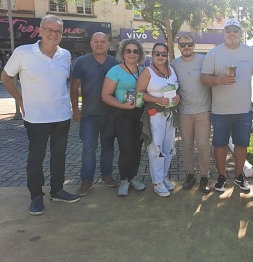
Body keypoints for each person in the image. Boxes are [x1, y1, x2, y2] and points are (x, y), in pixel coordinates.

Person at [1, 14, 80, 215]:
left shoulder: (65, 55)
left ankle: (57, 190)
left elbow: (65, 82)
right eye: (49, 30)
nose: (53, 34)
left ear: (62, 33)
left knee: (59, 156)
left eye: (58, 31)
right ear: (40, 30)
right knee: (36, 158)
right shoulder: (23, 52)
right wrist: (20, 100)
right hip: (36, 118)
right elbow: (6, 77)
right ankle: (36, 196)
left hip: (61, 116)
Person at [201, 18, 253, 192]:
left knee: (241, 144)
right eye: (228, 30)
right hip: (220, 110)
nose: (232, 33)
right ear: (223, 33)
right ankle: (221, 177)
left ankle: (240, 177)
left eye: (235, 30)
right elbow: (204, 78)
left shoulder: (251, 52)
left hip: (244, 110)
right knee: (220, 145)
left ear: (241, 33)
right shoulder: (214, 53)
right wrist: (219, 80)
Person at [70, 32, 118, 196]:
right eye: (96, 41)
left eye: (103, 42)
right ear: (91, 44)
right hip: (89, 115)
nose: (99, 44)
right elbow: (74, 87)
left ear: (108, 44)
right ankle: (86, 180)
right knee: (89, 148)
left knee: (108, 147)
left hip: (110, 115)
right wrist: (75, 109)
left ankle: (106, 175)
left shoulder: (115, 63)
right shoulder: (81, 62)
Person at [102, 39, 146, 197]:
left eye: (135, 51)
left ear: (140, 54)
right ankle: (124, 179)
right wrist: (122, 106)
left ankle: (133, 177)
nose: (132, 54)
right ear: (123, 53)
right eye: (128, 51)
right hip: (122, 114)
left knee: (137, 148)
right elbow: (105, 95)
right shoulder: (116, 71)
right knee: (126, 148)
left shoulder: (143, 71)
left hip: (139, 114)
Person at [137, 43, 180, 197]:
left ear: (167, 55)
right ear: (152, 54)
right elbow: (139, 93)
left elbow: (175, 88)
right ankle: (157, 182)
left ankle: (164, 177)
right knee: (156, 147)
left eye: (163, 54)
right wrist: (157, 100)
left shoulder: (171, 70)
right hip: (155, 114)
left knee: (169, 147)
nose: (160, 56)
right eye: (157, 53)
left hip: (170, 113)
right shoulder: (147, 72)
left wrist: (177, 96)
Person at [171, 34, 212, 193]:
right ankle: (190, 175)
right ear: (178, 46)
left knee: (203, 145)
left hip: (203, 111)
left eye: (189, 44)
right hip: (184, 112)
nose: (186, 47)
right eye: (182, 45)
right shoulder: (174, 64)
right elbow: (170, 85)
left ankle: (204, 177)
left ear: (194, 45)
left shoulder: (204, 60)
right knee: (186, 145)